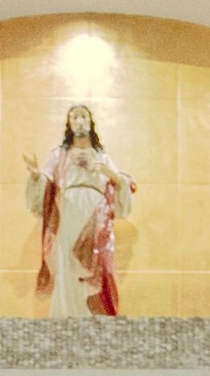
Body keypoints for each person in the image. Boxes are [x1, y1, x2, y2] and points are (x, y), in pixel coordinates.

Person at [25, 97, 134, 322]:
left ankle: (91, 317)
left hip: (95, 212)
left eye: (84, 116)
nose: (80, 121)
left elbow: (121, 182)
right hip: (69, 210)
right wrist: (36, 176)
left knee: (96, 263)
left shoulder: (101, 156)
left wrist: (109, 173)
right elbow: (46, 178)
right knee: (68, 263)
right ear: (69, 124)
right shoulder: (59, 154)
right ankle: (67, 317)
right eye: (74, 117)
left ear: (91, 122)